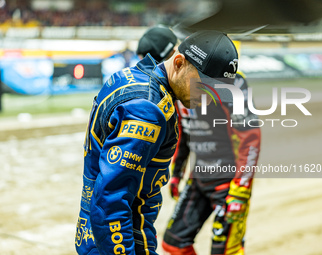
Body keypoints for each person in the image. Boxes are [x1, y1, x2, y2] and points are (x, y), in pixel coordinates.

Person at [74, 30, 239, 255]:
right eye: (203, 88)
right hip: (119, 242)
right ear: (179, 62)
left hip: (99, 236)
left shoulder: (129, 77)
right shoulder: (147, 109)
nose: (207, 100)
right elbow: (111, 201)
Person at [161, 71, 261, 255]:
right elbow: (182, 132)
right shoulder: (177, 80)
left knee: (227, 252)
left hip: (228, 185)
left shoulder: (233, 82)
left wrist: (241, 190)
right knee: (173, 243)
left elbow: (250, 139)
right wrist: (176, 174)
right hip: (198, 179)